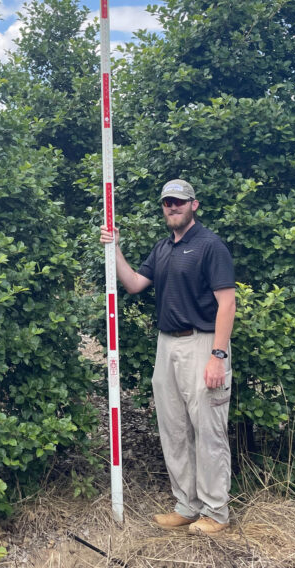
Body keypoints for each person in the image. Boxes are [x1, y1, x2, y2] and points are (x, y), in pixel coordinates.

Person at [100, 178, 236, 535]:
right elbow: (133, 284)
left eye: (178, 201)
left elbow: (227, 303)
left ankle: (216, 512)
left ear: (194, 205)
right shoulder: (162, 249)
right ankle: (187, 506)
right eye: (166, 203)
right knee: (174, 429)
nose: (172, 207)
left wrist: (218, 356)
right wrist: (113, 248)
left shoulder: (210, 246)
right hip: (166, 345)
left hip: (203, 343)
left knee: (208, 430)